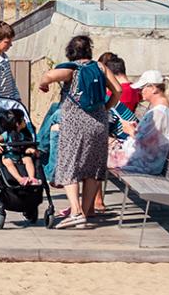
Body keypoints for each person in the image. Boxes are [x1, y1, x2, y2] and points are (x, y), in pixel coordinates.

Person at [38, 34, 114, 228]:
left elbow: (48, 76)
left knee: (69, 164)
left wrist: (43, 84)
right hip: (99, 124)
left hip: (74, 123)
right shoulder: (100, 67)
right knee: (92, 168)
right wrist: (104, 109)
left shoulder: (71, 69)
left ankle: (76, 211)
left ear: (70, 52)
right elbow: (118, 90)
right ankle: (87, 211)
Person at [110, 71, 169, 176]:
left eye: (142, 88)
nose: (140, 91)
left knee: (97, 155)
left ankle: (93, 192)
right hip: (143, 159)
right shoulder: (160, 109)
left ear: (153, 88)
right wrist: (136, 128)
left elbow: (148, 143)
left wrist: (130, 131)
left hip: (144, 164)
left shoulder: (159, 112)